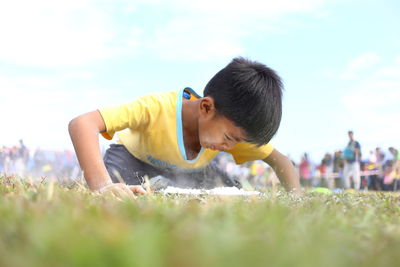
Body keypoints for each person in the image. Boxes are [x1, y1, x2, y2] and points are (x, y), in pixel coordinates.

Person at [68, 57, 301, 197]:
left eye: (237, 142)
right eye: (229, 138)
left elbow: (281, 162)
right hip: (132, 159)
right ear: (206, 108)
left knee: (231, 191)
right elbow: (83, 124)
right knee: (123, 191)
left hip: (189, 171)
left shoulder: (230, 131)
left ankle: (166, 185)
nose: (231, 147)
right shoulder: (156, 108)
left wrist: (296, 198)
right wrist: (102, 186)